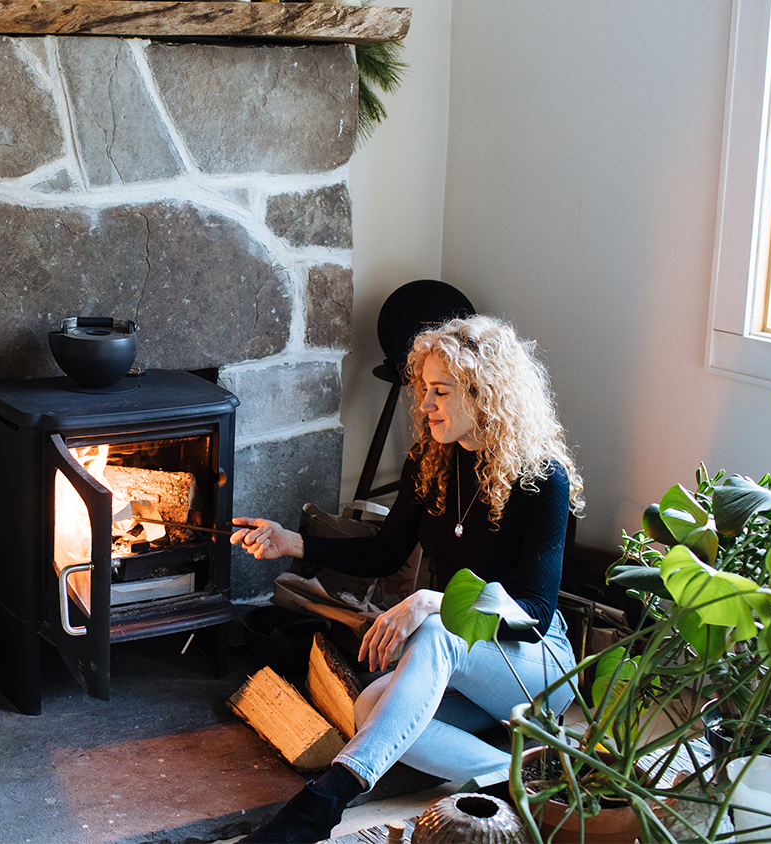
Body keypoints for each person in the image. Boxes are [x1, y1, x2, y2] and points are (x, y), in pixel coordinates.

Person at [230, 314, 585, 843]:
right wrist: (292, 542)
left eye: (440, 392)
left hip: (538, 668)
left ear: (484, 392)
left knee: (439, 632)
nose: (424, 407)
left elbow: (534, 612)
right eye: (424, 391)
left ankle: (319, 807)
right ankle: (530, 776)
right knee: (370, 703)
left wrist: (434, 602)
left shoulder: (542, 477)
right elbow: (385, 551)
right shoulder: (433, 462)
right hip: (470, 666)